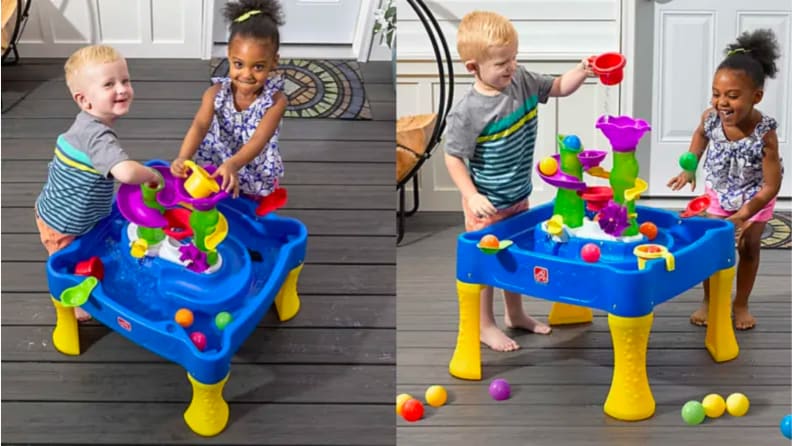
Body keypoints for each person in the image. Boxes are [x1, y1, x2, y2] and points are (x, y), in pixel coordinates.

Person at [444, 10, 595, 351]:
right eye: (501, 63)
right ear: (473, 67)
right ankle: (484, 324)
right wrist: (470, 195)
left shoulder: (522, 79)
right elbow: (453, 157)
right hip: (486, 205)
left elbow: (558, 87)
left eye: (513, 58)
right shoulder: (468, 111)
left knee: (514, 256)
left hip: (517, 198)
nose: (510, 67)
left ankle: (516, 315)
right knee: (485, 266)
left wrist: (582, 70)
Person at [35, 45, 163, 321]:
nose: (122, 89)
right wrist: (152, 176)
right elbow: (126, 173)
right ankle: (69, 304)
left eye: (125, 80)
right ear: (84, 100)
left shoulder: (85, 125)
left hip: (60, 207)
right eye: (109, 84)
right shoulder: (97, 136)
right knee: (64, 266)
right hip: (63, 224)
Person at [667, 29, 783, 330]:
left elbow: (772, 185)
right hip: (719, 191)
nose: (722, 102)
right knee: (714, 246)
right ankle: (710, 300)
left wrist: (746, 214)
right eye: (717, 94)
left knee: (748, 247)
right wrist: (690, 166)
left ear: (756, 96)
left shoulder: (764, 133)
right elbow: (700, 135)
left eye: (732, 96)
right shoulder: (711, 117)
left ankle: (741, 302)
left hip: (755, 196)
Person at [171, 0, 287, 205]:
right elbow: (199, 126)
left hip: (252, 165)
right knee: (218, 201)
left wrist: (233, 164)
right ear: (229, 56)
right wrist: (183, 157)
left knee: (249, 207)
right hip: (218, 159)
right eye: (239, 64)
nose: (246, 75)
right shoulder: (215, 94)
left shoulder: (275, 102)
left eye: (258, 67)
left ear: (274, 62)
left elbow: (258, 140)